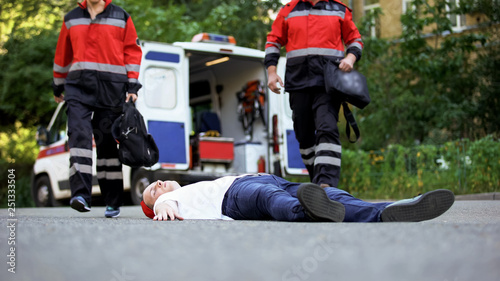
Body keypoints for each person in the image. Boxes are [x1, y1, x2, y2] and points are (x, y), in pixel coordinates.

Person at [52, 0, 142, 218]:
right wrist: (58, 84)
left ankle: (113, 200)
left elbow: (131, 51)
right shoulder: (72, 18)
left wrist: (132, 84)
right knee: (79, 135)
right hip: (78, 87)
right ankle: (80, 194)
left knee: (107, 144)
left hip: (111, 88)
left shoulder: (122, 17)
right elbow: (63, 54)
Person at [265, 0, 363, 188]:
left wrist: (350, 58)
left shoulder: (340, 10)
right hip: (298, 82)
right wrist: (271, 72)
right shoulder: (289, 10)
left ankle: (326, 183)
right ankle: (316, 179)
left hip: (328, 84)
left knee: (327, 128)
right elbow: (273, 41)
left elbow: (355, 40)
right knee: (304, 135)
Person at [140, 174, 455, 223]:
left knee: (327, 191)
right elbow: (165, 207)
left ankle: (385, 212)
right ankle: (307, 211)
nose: (156, 183)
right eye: (152, 190)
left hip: (263, 179)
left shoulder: (191, 185)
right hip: (236, 195)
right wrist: (162, 206)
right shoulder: (174, 198)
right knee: (269, 198)